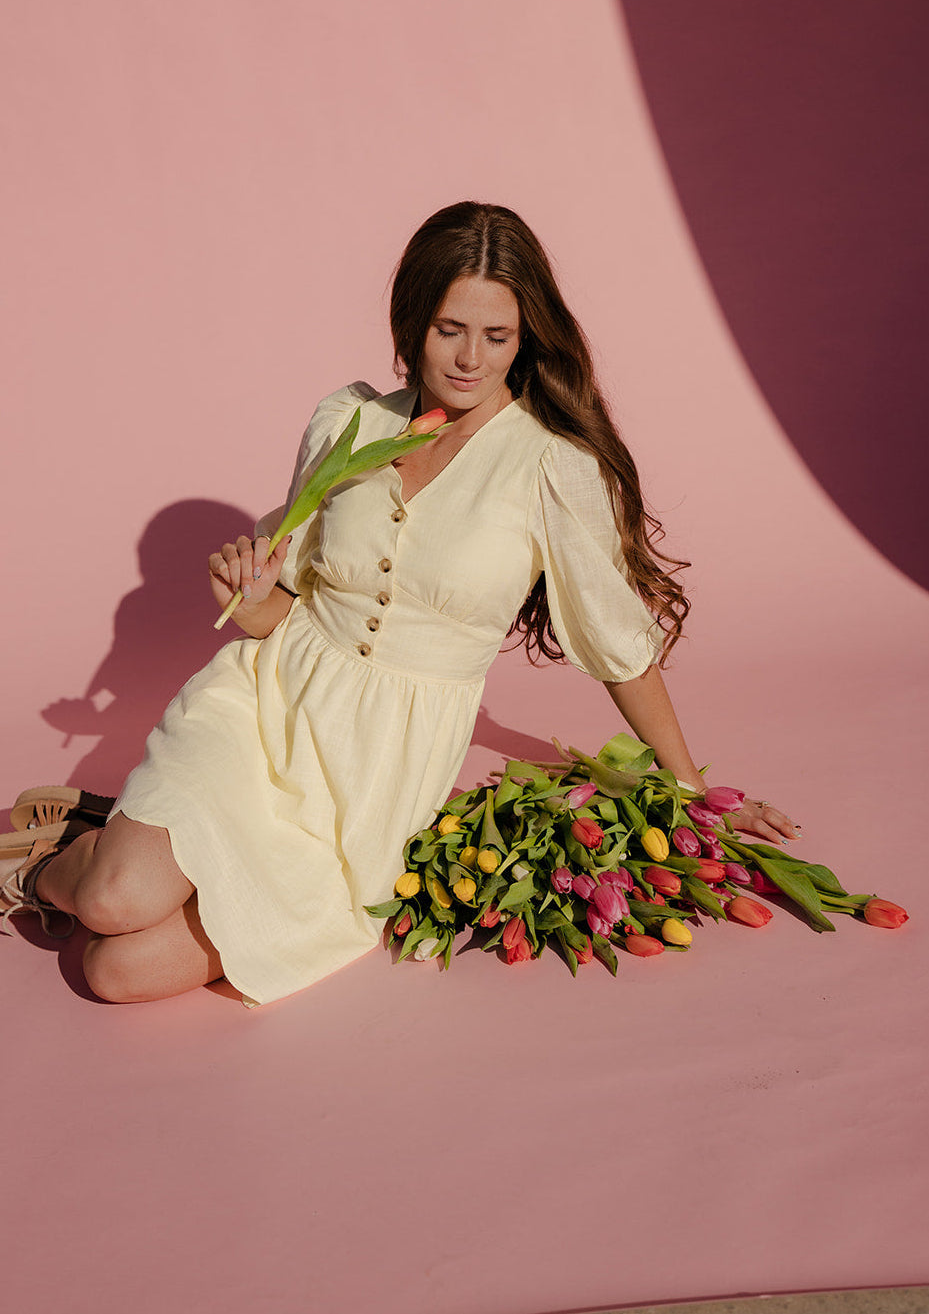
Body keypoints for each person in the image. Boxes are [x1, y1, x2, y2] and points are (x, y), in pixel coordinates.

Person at [1, 201, 800, 1005]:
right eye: (450, 327)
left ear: (525, 339)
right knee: (111, 901)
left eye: (497, 336)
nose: (469, 358)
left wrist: (693, 796)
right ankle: (44, 866)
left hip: (379, 772)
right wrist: (247, 604)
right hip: (263, 703)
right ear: (413, 318)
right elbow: (288, 608)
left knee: (116, 972)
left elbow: (618, 649)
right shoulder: (349, 423)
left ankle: (100, 830)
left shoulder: (550, 467)